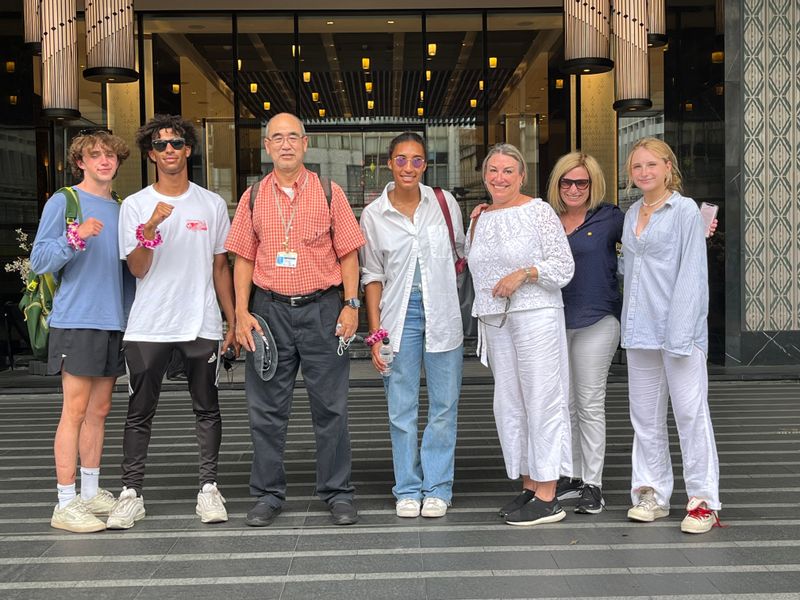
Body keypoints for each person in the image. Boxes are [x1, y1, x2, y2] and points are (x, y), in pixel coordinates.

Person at [226, 112, 365, 527]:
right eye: (276, 138)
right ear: (266, 147)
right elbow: (243, 259)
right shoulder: (252, 197)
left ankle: (337, 493)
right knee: (266, 409)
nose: (285, 144)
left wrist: (351, 304)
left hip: (323, 309)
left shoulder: (329, 191)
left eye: (293, 137)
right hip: (268, 313)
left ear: (305, 144)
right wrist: (239, 313)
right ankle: (267, 494)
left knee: (331, 408)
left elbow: (348, 253)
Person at [106, 114, 237, 530]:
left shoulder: (212, 204)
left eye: (176, 143)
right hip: (149, 324)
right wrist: (150, 228)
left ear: (189, 150)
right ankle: (131, 493)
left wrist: (232, 321)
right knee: (139, 411)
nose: (169, 151)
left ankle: (209, 489)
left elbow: (221, 268)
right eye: (161, 145)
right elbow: (139, 269)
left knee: (207, 409)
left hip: (201, 322)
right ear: (151, 154)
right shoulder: (135, 206)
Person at [467, 143, 575, 526]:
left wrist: (524, 274)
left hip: (536, 316)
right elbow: (475, 266)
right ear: (484, 175)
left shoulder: (538, 211)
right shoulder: (479, 217)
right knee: (510, 404)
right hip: (497, 320)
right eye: (493, 170)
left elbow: (563, 266)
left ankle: (549, 493)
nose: (500, 177)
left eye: (508, 170)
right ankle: (529, 484)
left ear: (522, 176)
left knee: (542, 399)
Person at [359, 132, 464, 518]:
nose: (409, 167)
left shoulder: (444, 203)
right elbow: (372, 276)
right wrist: (375, 334)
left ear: (425, 165)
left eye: (417, 160)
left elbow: (464, 252)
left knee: (444, 406)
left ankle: (437, 486)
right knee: (400, 408)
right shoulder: (373, 215)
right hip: (397, 319)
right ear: (389, 163)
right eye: (401, 160)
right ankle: (407, 487)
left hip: (444, 316)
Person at [30, 129, 130, 533]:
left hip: (114, 321)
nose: (104, 161)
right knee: (73, 411)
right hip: (77, 319)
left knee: (100, 412)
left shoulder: (124, 208)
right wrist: (76, 236)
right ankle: (65, 501)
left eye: (110, 155)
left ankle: (90, 493)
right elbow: (39, 259)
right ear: (81, 162)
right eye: (95, 155)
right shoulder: (64, 201)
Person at [620, 137, 721, 534]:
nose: (643, 172)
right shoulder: (632, 214)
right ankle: (652, 493)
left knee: (690, 416)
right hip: (639, 329)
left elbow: (693, 275)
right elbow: (631, 270)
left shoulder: (684, 213)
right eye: (636, 167)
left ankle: (703, 501)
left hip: (678, 332)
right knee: (645, 418)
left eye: (650, 165)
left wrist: (680, 335)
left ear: (667, 167)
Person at [545, 152, 624, 514]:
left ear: (593, 184)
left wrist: (699, 229)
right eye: (567, 182)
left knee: (589, 403)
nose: (574, 188)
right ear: (557, 184)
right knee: (566, 405)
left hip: (597, 320)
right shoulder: (545, 218)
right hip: (554, 323)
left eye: (582, 182)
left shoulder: (610, 217)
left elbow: (650, 235)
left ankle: (593, 483)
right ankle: (573, 475)